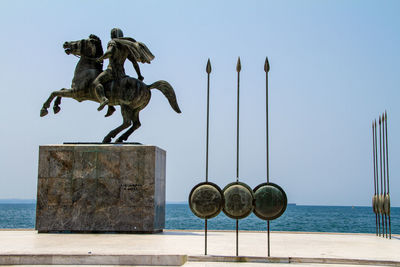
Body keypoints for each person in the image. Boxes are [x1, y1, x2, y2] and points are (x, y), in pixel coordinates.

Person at [93, 28, 154, 116]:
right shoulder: (126, 47)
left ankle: (103, 99)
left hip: (111, 71)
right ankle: (111, 107)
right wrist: (139, 75)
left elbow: (109, 53)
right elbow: (134, 63)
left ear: (113, 35)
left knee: (96, 82)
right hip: (121, 74)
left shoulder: (112, 42)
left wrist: (100, 59)